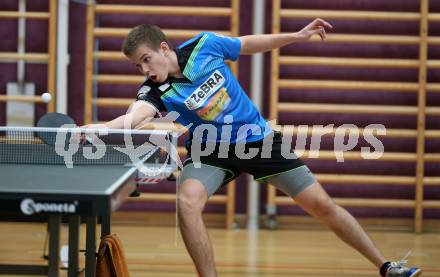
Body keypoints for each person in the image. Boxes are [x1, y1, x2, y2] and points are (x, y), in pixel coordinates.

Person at [83, 19, 422, 277]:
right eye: (137, 66)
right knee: (187, 202)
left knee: (322, 205)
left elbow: (247, 44)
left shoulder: (205, 46)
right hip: (210, 150)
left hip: (258, 140)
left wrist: (297, 36)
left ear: (163, 48)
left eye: (145, 60)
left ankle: (386, 266)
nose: (144, 70)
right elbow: (133, 120)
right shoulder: (154, 92)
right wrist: (93, 129)